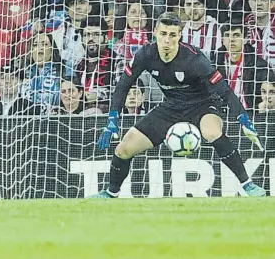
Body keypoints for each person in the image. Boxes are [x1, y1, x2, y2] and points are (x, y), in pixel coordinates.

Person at [90, 12, 267, 198]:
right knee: (124, 148)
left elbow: (223, 89)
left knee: (212, 132)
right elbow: (123, 85)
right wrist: (112, 118)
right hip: (172, 106)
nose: (167, 40)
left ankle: (248, 185)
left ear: (180, 35)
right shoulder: (145, 54)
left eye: (172, 35)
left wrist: (243, 118)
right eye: (163, 33)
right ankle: (111, 193)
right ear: (156, 32)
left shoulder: (194, 58)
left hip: (204, 104)